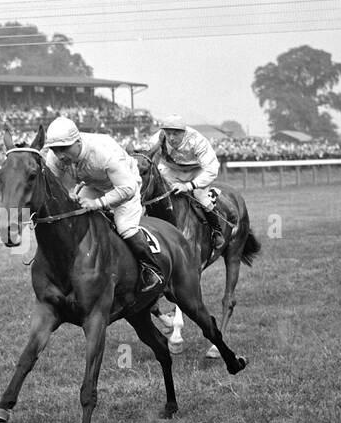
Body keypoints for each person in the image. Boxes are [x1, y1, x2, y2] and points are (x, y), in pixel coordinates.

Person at [41, 115, 164, 296]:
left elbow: (127, 188)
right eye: (55, 149)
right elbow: (54, 184)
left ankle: (153, 270)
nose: (59, 155)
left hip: (125, 185)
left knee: (124, 227)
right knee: (74, 215)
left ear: (77, 142)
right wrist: (68, 192)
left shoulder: (103, 153)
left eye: (64, 149)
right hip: (94, 185)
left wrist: (98, 203)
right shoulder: (56, 155)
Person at [148, 120, 230, 250]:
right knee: (155, 193)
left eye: (175, 134)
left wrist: (188, 186)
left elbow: (212, 170)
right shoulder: (155, 140)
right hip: (172, 170)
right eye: (168, 133)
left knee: (200, 195)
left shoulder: (198, 141)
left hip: (197, 171)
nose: (171, 138)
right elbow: (147, 161)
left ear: (184, 133)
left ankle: (216, 231)